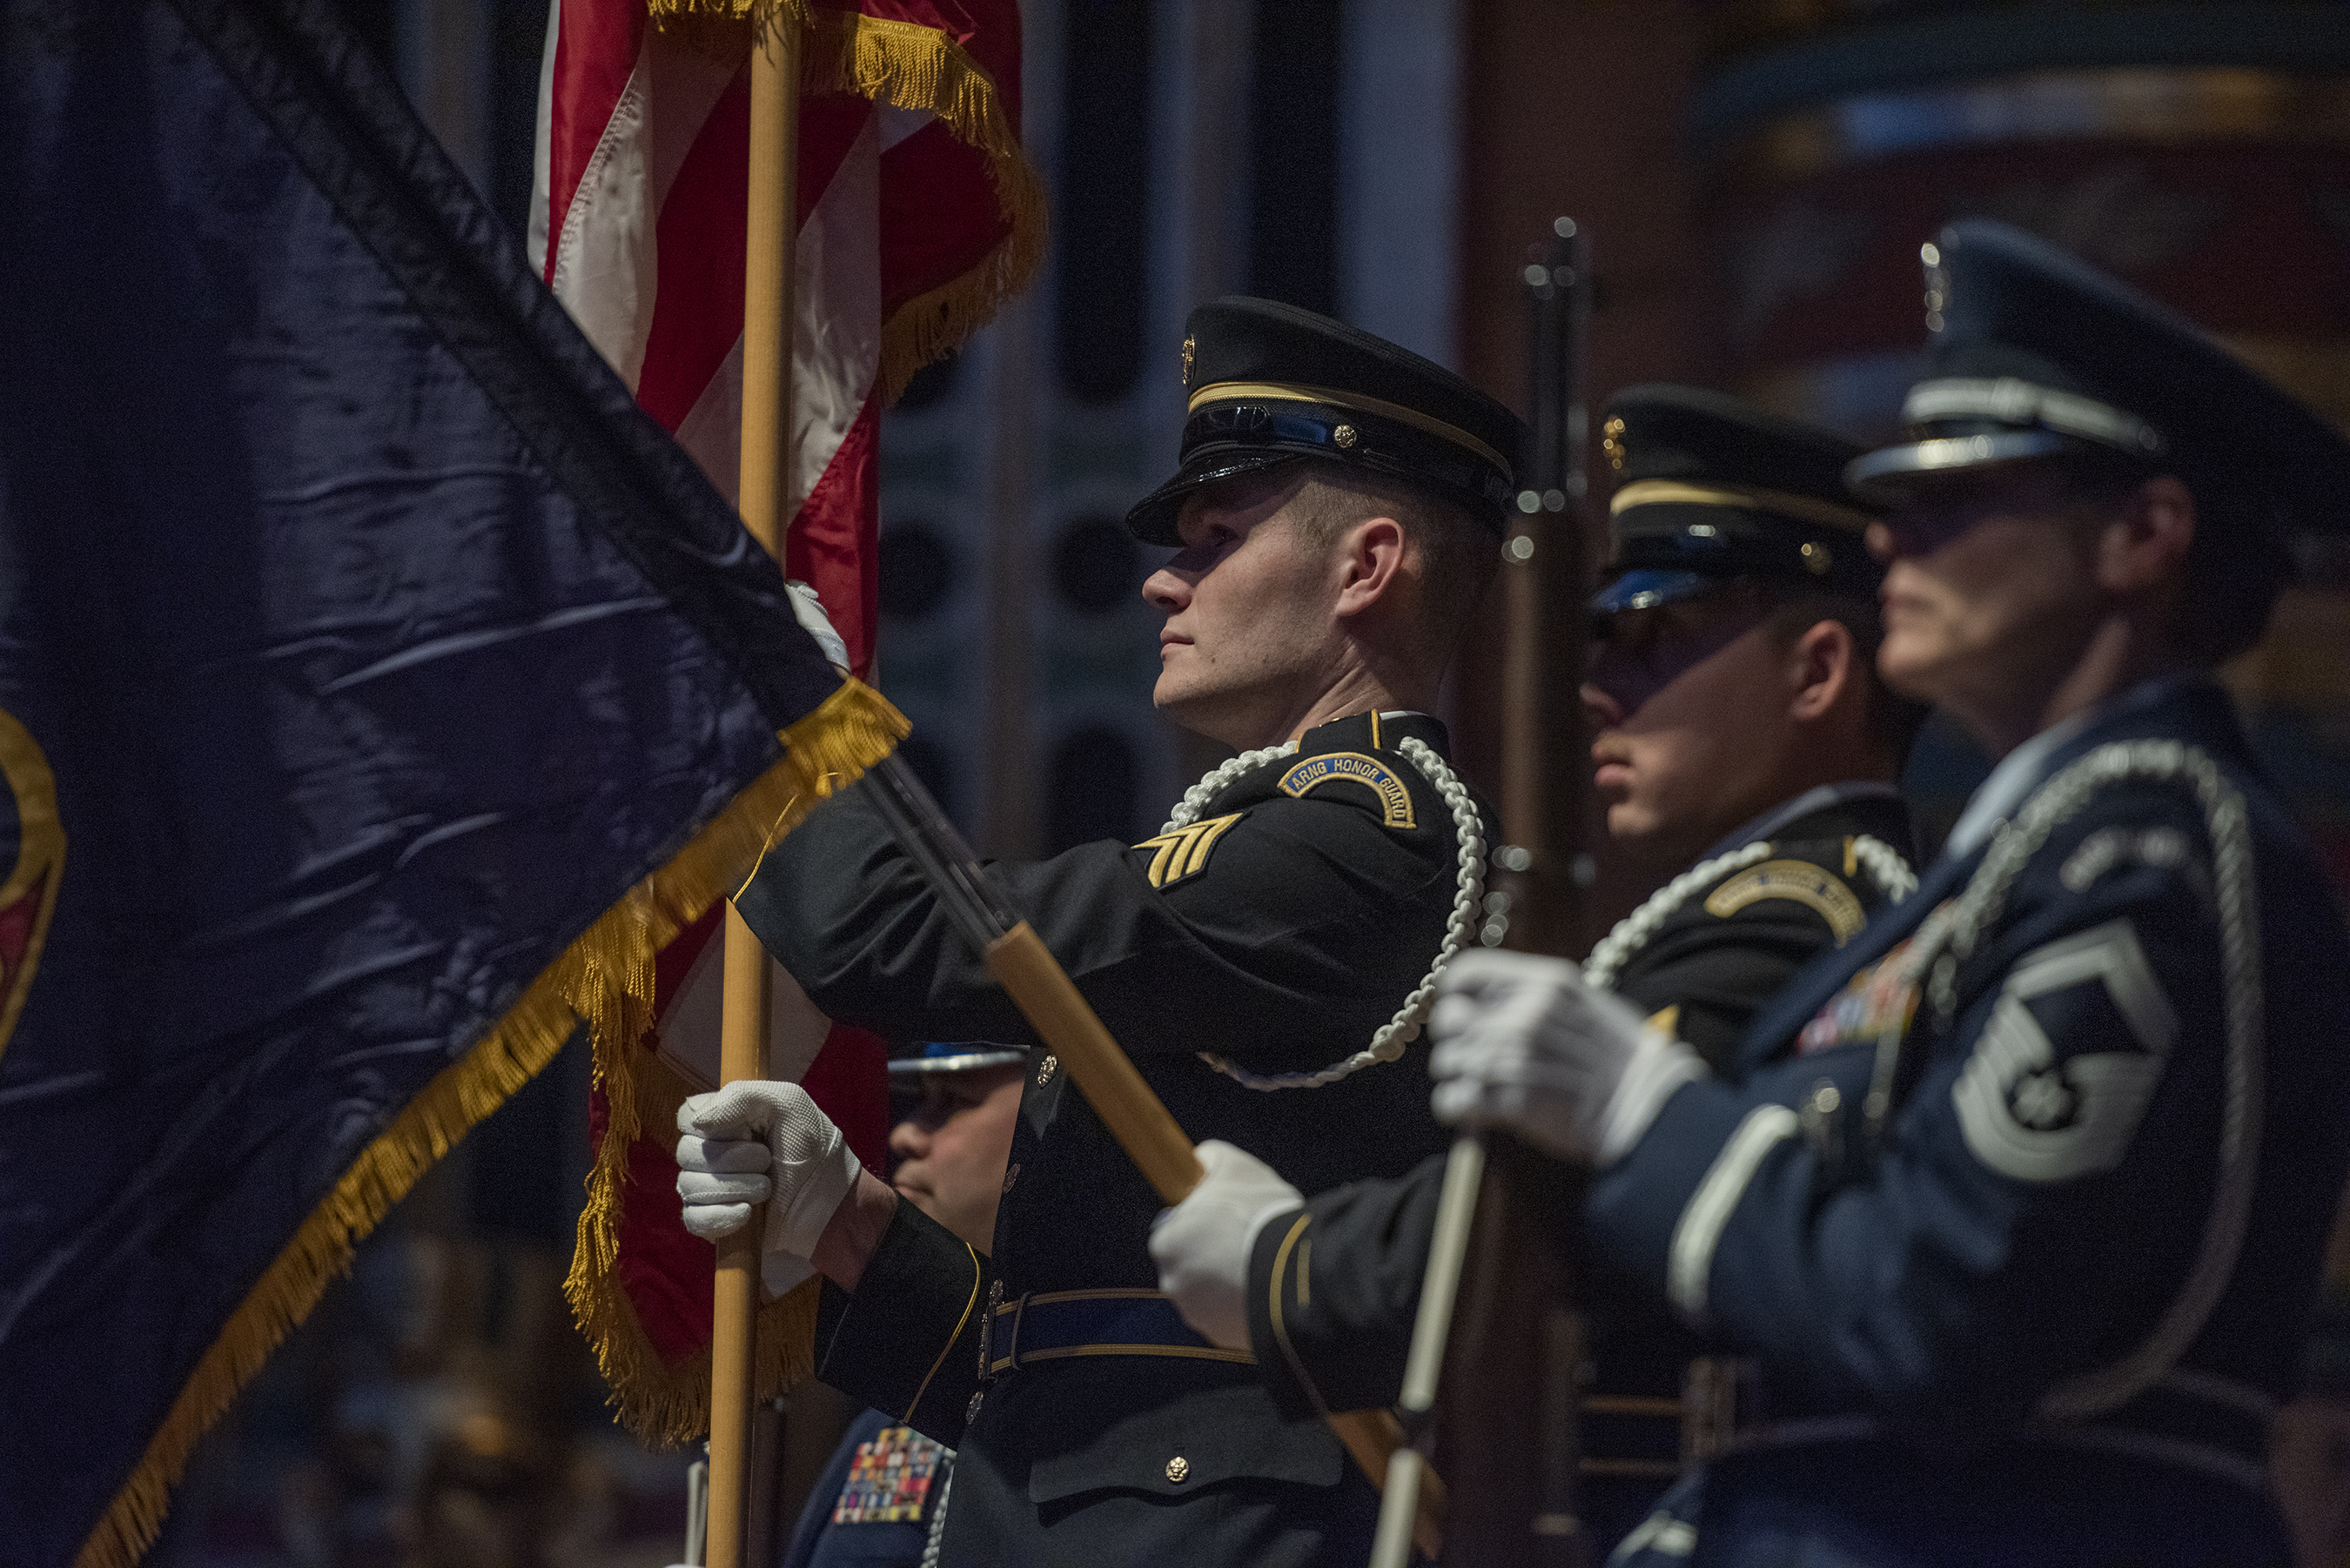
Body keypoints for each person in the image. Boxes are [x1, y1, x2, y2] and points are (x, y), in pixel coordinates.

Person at [1420, 220, 2350, 1565]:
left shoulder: (2145, 855)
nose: (1891, 531)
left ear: (2144, 534)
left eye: (1956, 495)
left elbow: (1933, 1315)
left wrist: (1643, 1114)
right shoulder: (2023, 857)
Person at [670, 298, 1521, 1565]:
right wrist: (848, 1223)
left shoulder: (1360, 840)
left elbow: (906, 935)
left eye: (1218, 538)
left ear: (1365, 566)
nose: (1160, 580)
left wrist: (786, 742)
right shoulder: (1277, 835)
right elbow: (1057, 1366)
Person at [1151, 385, 1929, 1551]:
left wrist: (1292, 1266)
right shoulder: (1777, 902)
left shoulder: (1795, 915)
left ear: (1818, 673)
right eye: (1600, 638)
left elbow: (1553, 1202)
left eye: (1657, 641)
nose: (1597, 688)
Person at [780, 1042, 1028, 1568]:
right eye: (919, 1101)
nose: (904, 1134)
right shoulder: (890, 1415)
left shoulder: (1103, 1396)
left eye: (955, 1099)